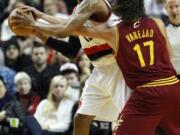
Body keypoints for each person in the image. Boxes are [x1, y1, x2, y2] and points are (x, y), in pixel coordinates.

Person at [165, 0, 180, 77]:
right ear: (166, 9)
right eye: (171, 7)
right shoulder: (163, 31)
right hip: (173, 76)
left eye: (177, 6)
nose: (174, 10)